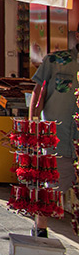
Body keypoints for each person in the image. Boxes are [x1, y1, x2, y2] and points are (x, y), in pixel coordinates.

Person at [31, 44, 79, 238]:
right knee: (51, 187)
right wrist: (33, 124)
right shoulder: (55, 61)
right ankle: (40, 229)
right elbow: (38, 92)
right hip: (59, 137)